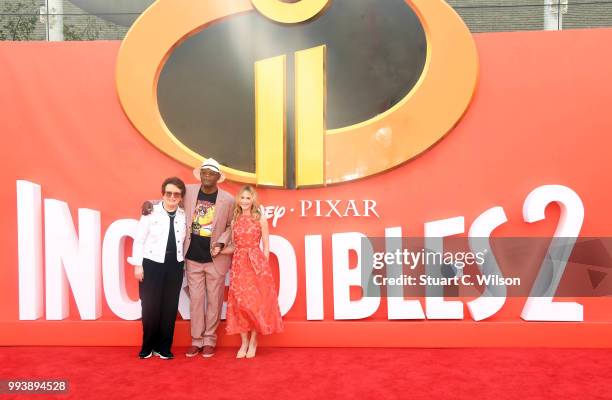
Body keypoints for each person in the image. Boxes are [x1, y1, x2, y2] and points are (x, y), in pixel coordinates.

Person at [142, 158, 234, 358]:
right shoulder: (189, 191)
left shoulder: (228, 199)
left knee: (214, 301)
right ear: (200, 175)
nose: (207, 176)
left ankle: (209, 340)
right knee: (196, 301)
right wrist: (150, 204)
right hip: (192, 257)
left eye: (211, 173)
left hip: (215, 259)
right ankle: (196, 341)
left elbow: (230, 226)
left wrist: (221, 243)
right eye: (204, 173)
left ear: (218, 177)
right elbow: (170, 200)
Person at [128, 177, 187, 360]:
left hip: (175, 265)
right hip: (151, 263)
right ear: (162, 194)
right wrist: (138, 265)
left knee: (169, 307)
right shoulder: (150, 212)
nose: (172, 197)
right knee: (150, 306)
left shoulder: (183, 215)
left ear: (181, 197)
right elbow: (139, 240)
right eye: (168, 193)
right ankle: (148, 346)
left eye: (176, 194)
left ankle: (164, 347)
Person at [224, 185, 283, 358]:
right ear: (238, 200)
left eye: (248, 198)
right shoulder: (235, 220)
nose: (244, 201)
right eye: (242, 198)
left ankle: (253, 341)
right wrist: (219, 250)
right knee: (240, 303)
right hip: (239, 263)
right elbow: (234, 245)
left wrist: (263, 264)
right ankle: (243, 342)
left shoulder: (260, 218)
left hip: (256, 263)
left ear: (253, 200)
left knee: (256, 303)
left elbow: (266, 243)